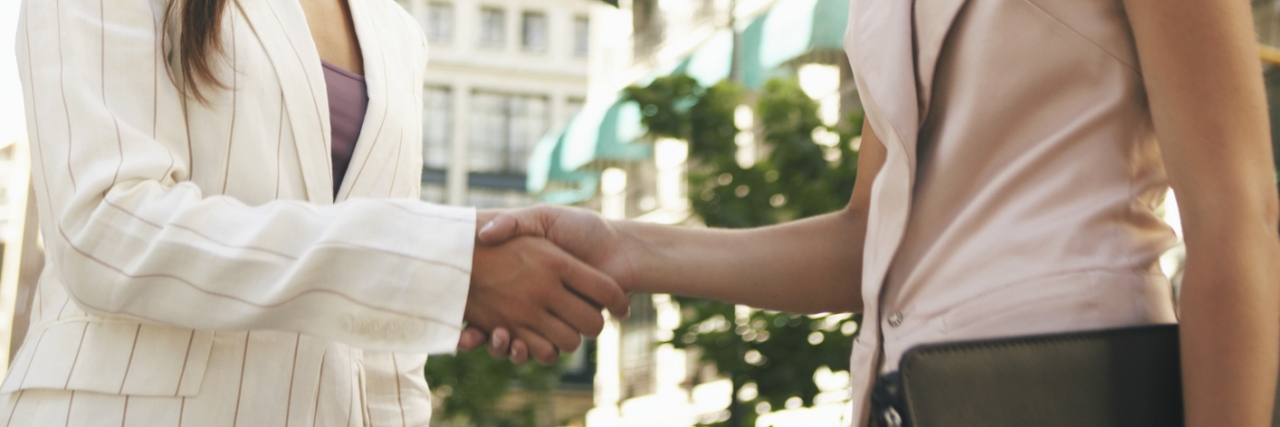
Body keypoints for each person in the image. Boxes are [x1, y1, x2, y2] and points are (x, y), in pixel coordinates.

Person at [464, 0, 1280, 425]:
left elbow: (1237, 215)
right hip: (909, 397)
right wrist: (622, 246)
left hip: (1063, 384)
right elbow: (871, 240)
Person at [5, 0, 627, 425]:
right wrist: (443, 267)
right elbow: (104, 227)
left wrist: (440, 274)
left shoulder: (395, 30)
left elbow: (383, 356)